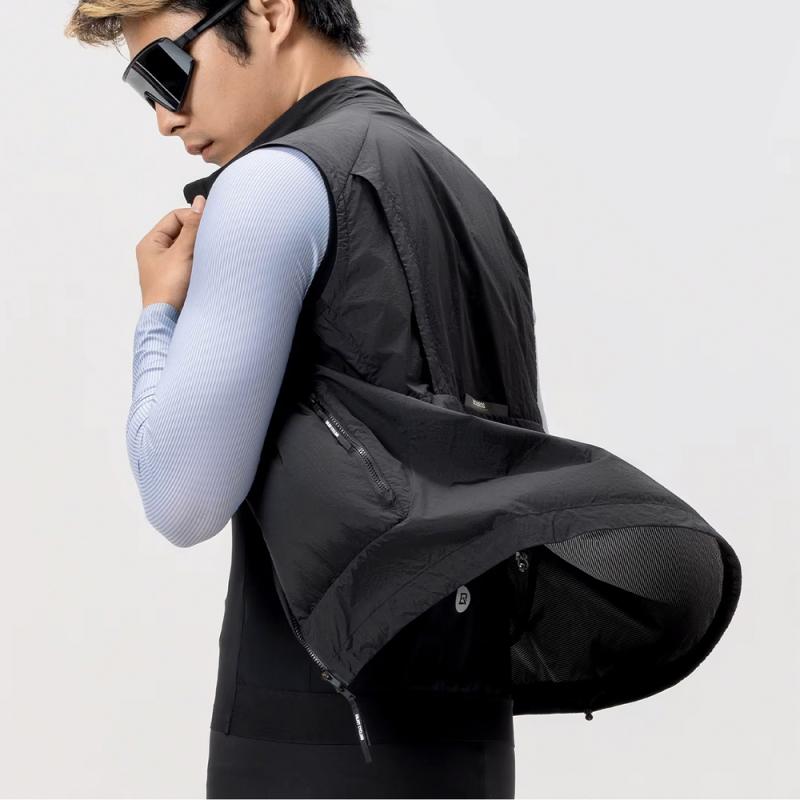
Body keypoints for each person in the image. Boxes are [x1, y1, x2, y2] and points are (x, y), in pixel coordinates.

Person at [64, 1, 524, 797]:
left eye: (166, 71)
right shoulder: (470, 198)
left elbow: (182, 500)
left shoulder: (273, 182)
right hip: (470, 743)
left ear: (271, 10)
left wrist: (157, 316)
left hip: (310, 738)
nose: (165, 119)